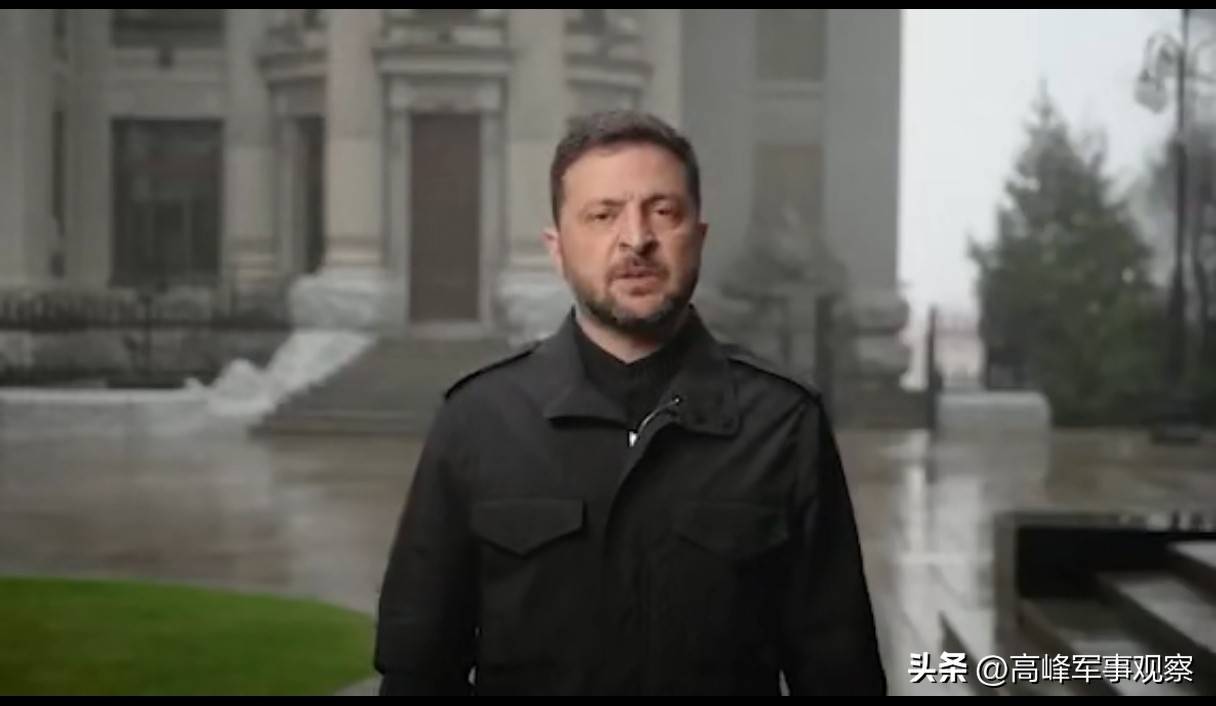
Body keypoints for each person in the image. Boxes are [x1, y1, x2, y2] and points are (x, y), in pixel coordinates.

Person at [373, 110, 887, 695]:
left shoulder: (783, 423)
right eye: (603, 215)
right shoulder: (477, 420)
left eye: (663, 212)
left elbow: (840, 675)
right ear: (557, 248)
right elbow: (418, 670)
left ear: (699, 237)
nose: (636, 238)